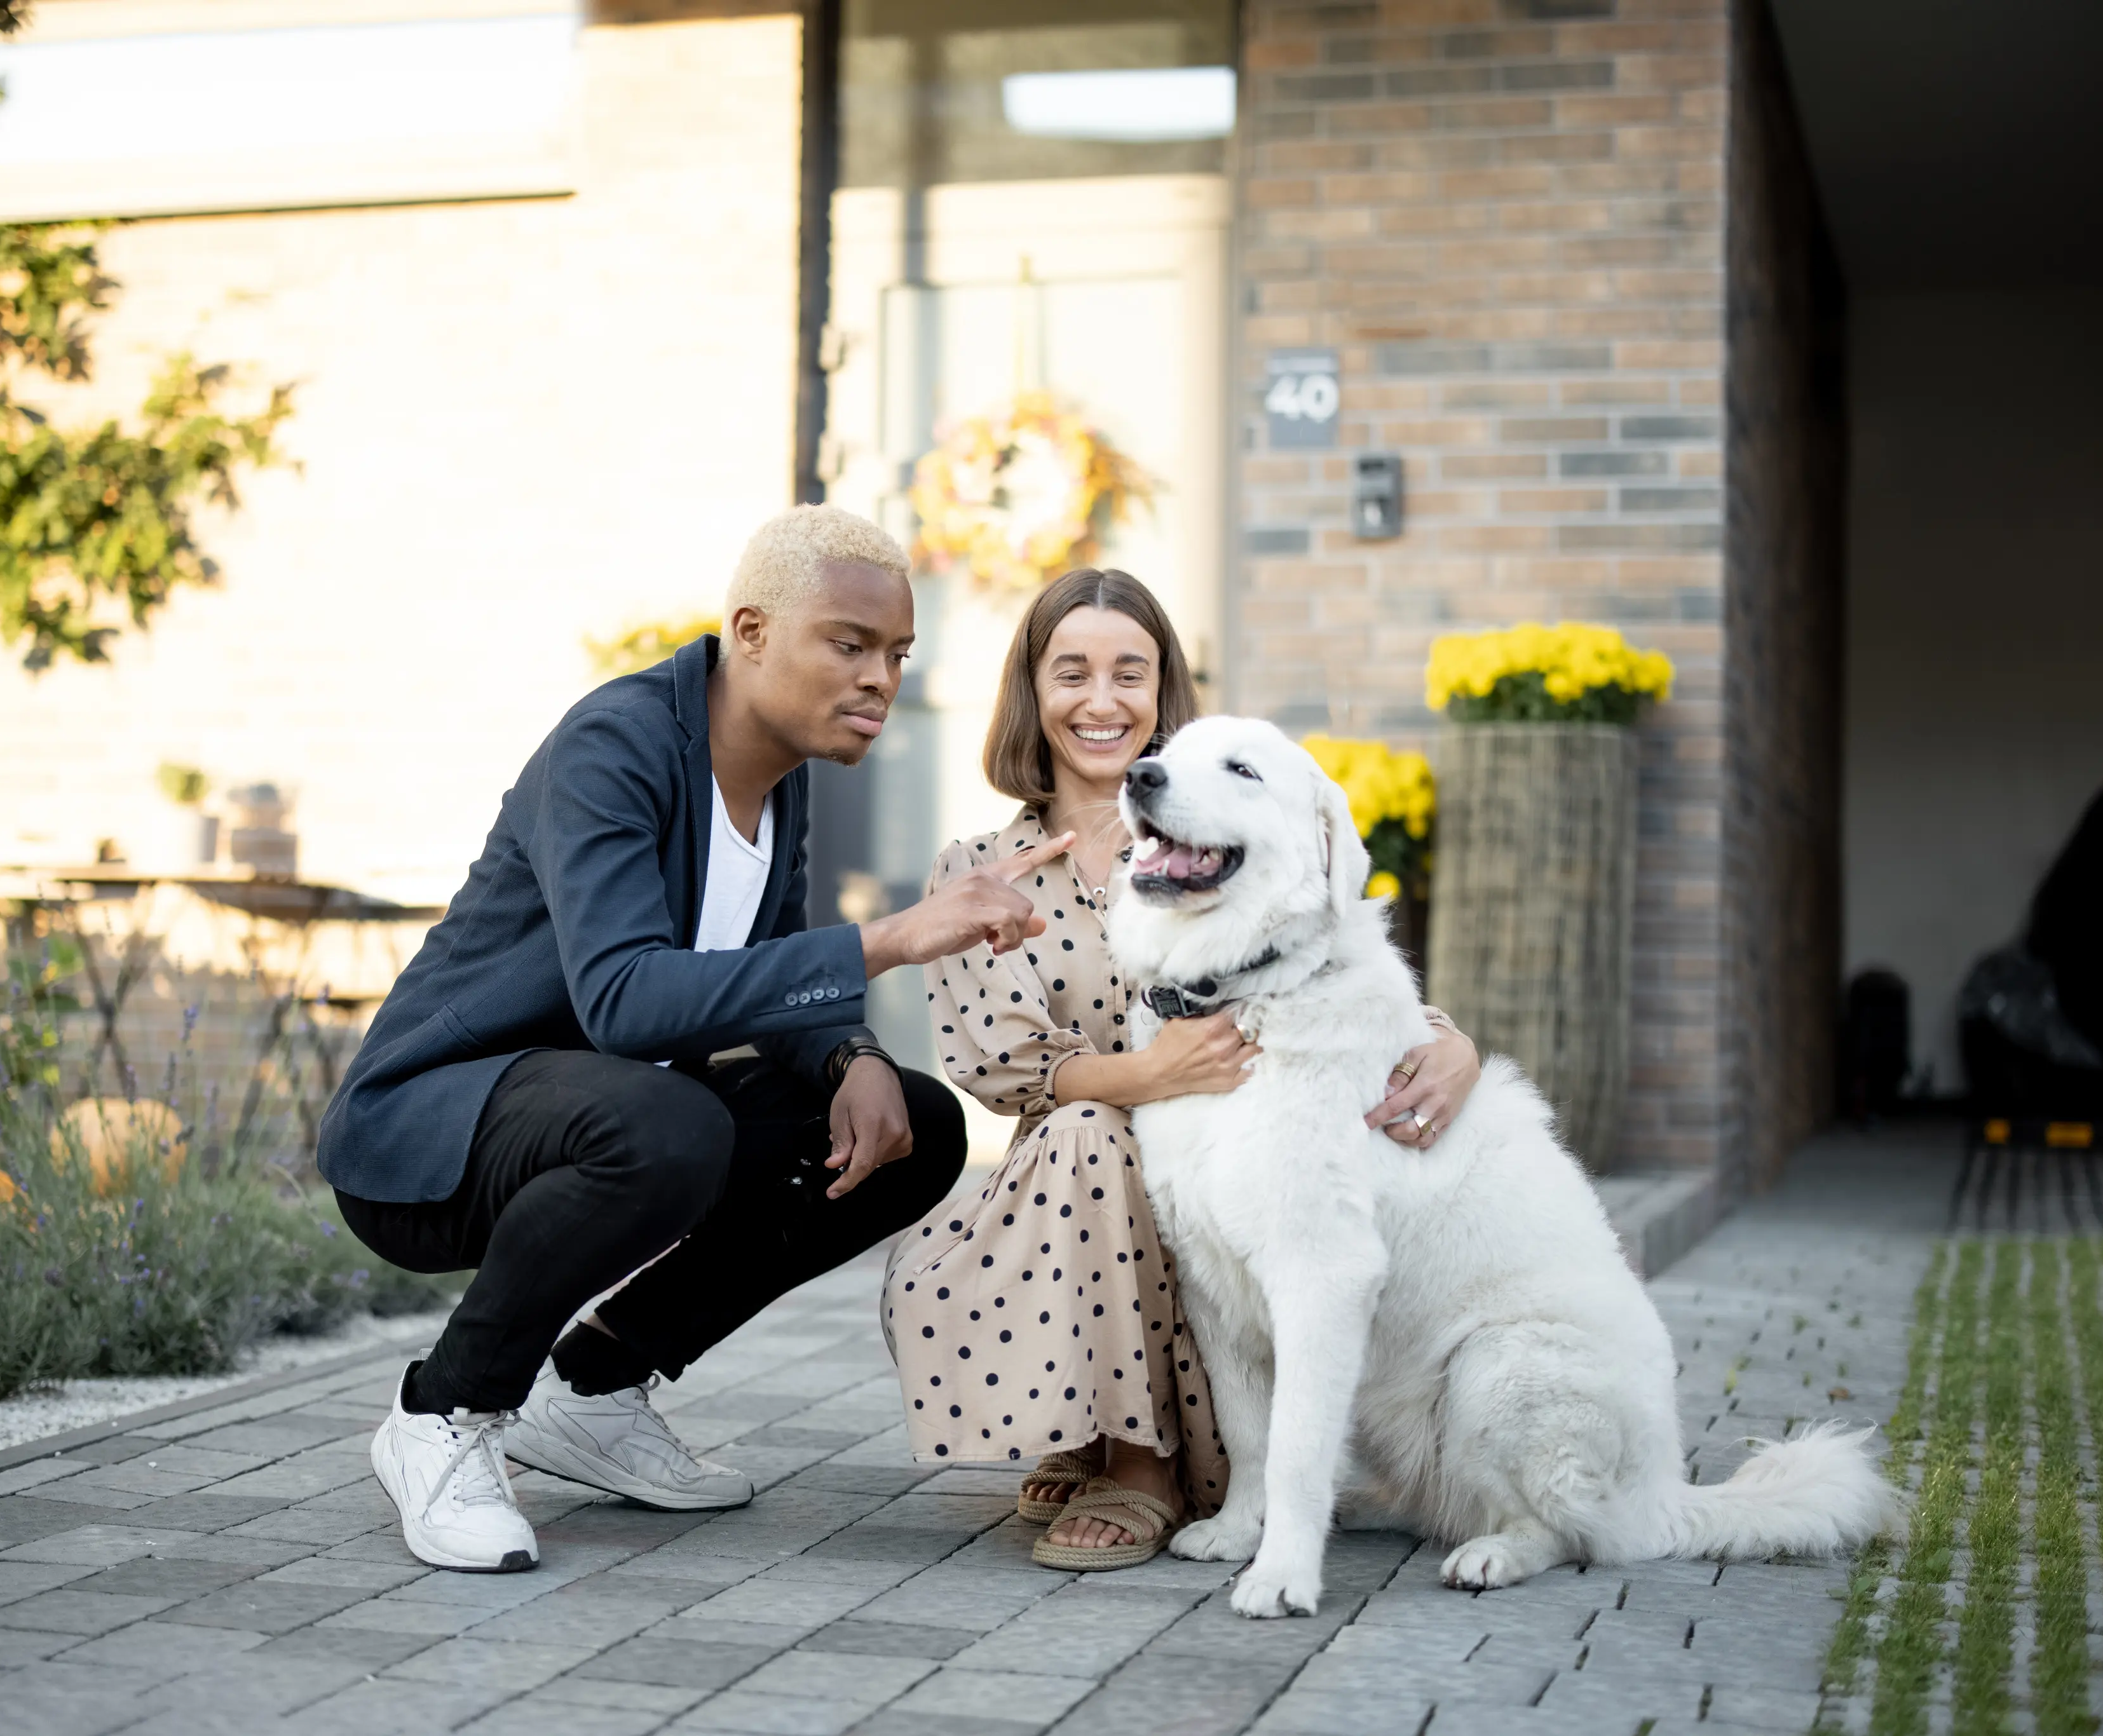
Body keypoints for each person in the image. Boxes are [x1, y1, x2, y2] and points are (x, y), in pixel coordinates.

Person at [321, 506, 1077, 1573]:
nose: (880, 679)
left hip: (610, 1113)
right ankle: (441, 1416)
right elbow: (625, 999)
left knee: (917, 1125)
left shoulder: (779, 782)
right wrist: (895, 939)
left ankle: (594, 1388)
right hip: (430, 1133)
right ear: (752, 631)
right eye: (849, 645)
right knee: (670, 1125)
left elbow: (762, 977)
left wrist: (850, 1058)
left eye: (897, 654)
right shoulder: (616, 746)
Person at [883, 568, 1483, 1571]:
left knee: (1162, 1165)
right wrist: (1147, 1074)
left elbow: (1312, 957)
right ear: (1033, 692)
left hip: (1227, 1224)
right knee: (1089, 1135)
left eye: (1132, 673)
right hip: (1069, 1221)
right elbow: (999, 1068)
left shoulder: (1224, 836)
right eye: (1070, 672)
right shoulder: (981, 866)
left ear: (1166, 695)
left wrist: (1442, 1037)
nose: (1103, 701)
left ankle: (1157, 1464)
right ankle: (1115, 1444)